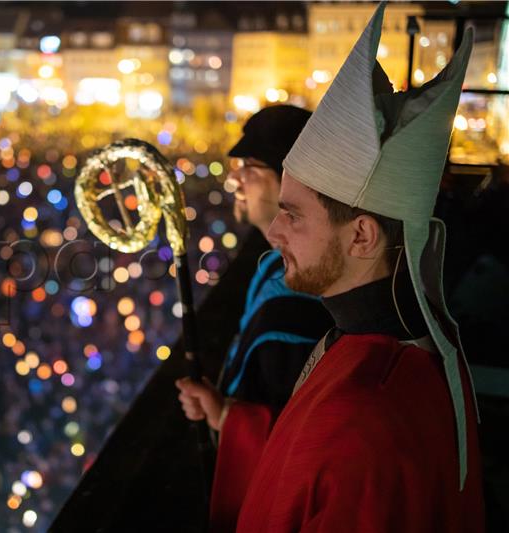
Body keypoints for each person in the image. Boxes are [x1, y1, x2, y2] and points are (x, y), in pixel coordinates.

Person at [179, 3, 484, 531]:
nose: (273, 233)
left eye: (292, 215)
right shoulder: (386, 347)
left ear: (362, 235)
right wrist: (230, 418)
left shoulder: (366, 417)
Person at [177, 105, 332, 531]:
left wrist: (224, 417)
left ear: (291, 179)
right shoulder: (273, 265)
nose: (234, 179)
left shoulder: (298, 302)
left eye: (249, 166)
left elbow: (293, 444)